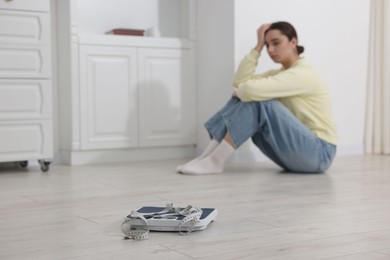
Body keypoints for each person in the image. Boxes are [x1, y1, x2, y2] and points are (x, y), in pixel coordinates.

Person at [177, 21, 337, 175]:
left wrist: (242, 92)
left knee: (259, 102)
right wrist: (257, 47)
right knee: (249, 97)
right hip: (297, 153)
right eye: (267, 45)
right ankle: (208, 156)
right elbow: (240, 82)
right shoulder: (281, 74)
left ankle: (215, 161)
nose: (271, 49)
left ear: (293, 42)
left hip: (320, 152)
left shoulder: (304, 73)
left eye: (276, 43)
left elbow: (247, 89)